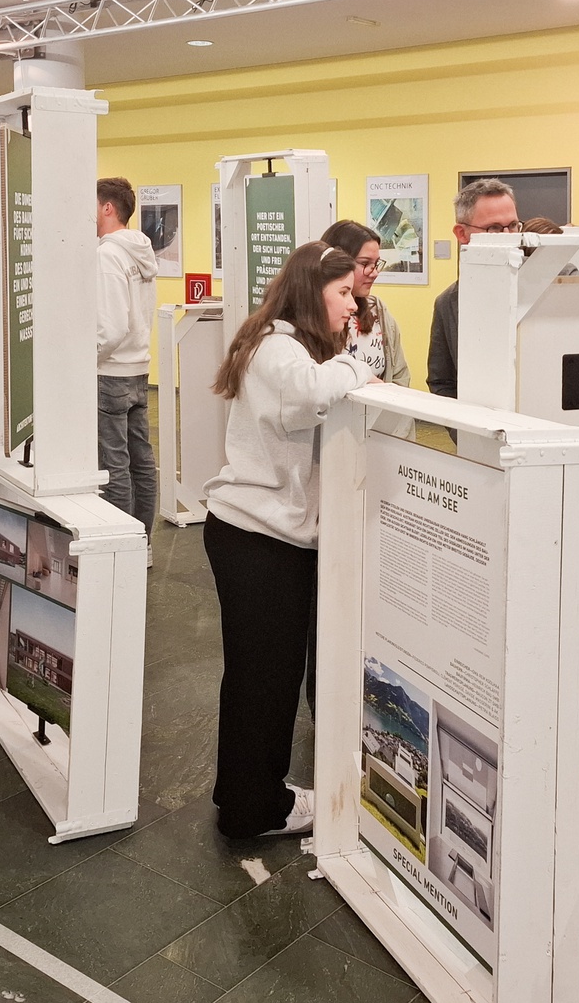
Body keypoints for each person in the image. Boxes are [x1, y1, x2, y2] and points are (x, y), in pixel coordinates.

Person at [203, 241, 376, 839]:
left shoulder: (283, 344)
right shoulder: (278, 348)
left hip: (261, 536)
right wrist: (358, 362)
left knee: (260, 679)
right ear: (310, 291)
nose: (352, 305)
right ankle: (255, 809)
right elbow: (312, 393)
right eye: (343, 293)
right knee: (264, 682)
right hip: (258, 538)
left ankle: (249, 795)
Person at [96, 176, 160, 549]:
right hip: (137, 370)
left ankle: (122, 550)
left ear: (107, 208)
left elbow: (111, 328)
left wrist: (84, 361)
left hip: (110, 373)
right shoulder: (140, 252)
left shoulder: (107, 255)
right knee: (141, 463)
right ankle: (143, 544)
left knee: (113, 466)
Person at [427, 178, 519, 399]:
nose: (509, 236)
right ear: (462, 234)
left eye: (514, 225)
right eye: (494, 228)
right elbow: (441, 382)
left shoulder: (549, 288)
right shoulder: (448, 303)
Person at [319, 219, 410, 388]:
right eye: (365, 263)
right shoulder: (314, 320)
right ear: (338, 262)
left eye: (376, 264)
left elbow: (400, 375)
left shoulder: (379, 311)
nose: (374, 272)